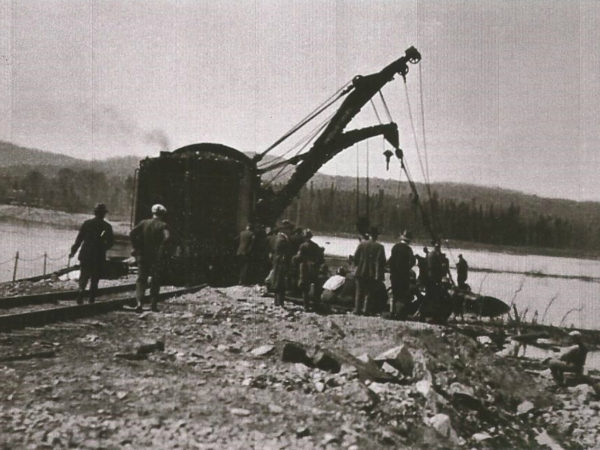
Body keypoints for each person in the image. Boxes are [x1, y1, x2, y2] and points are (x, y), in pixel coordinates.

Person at [69, 203, 114, 304]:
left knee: (84, 275)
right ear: (104, 214)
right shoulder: (107, 226)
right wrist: (103, 248)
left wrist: (73, 252)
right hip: (98, 256)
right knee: (95, 277)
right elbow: (111, 242)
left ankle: (81, 292)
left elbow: (79, 240)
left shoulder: (87, 223)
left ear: (95, 212)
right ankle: (91, 297)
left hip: (85, 254)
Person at [129, 204, 170, 312]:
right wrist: (162, 248)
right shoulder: (163, 225)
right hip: (156, 257)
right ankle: (153, 305)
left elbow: (132, 234)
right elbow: (167, 238)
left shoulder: (144, 223)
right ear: (162, 214)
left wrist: (136, 247)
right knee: (155, 280)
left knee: (141, 279)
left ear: (153, 213)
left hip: (142, 255)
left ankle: (139, 304)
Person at [353, 226, 386, 315]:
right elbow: (382, 261)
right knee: (369, 292)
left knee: (359, 292)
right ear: (377, 236)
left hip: (360, 271)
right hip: (372, 273)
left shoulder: (362, 244)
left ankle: (357, 310)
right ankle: (366, 310)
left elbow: (355, 258)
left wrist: (357, 266)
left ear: (368, 235)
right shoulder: (380, 247)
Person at [388, 230, 416, 317]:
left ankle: (392, 312)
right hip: (404, 275)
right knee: (402, 294)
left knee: (394, 292)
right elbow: (413, 261)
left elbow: (390, 261)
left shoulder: (395, 247)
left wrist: (392, 270)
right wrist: (407, 268)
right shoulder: (408, 249)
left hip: (394, 274)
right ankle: (400, 313)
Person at [296, 229, 325, 310]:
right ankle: (316, 305)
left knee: (305, 288)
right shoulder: (316, 246)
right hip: (314, 268)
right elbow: (321, 258)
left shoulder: (302, 246)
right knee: (315, 287)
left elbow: (299, 257)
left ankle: (306, 306)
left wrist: (294, 259)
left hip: (304, 268)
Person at [271, 220, 294, 306]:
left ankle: (278, 301)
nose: (290, 231)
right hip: (281, 263)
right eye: (289, 229)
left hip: (279, 262)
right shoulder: (281, 239)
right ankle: (279, 302)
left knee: (279, 282)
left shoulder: (281, 238)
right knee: (280, 282)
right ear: (285, 230)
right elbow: (281, 252)